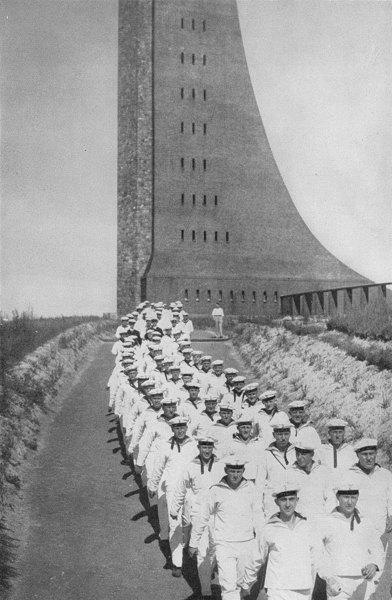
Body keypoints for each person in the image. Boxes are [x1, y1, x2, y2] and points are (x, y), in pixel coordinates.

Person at [189, 456, 262, 600]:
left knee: (242, 584)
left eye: (239, 471)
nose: (235, 475)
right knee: (228, 587)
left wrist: (261, 539)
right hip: (224, 544)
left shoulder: (251, 488)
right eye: (232, 471)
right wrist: (193, 542)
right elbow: (203, 516)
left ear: (243, 471)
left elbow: (258, 515)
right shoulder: (216, 490)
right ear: (225, 470)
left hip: (246, 543)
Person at [170, 436, 225, 599]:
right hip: (199, 513)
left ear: (213, 448)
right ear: (199, 447)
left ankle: (210, 571)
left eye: (209, 447)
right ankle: (206, 592)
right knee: (202, 552)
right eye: (203, 447)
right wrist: (174, 508)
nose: (206, 450)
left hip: (218, 514)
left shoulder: (221, 466)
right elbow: (181, 488)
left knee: (216, 548)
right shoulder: (191, 466)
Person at [241, 483, 316, 600]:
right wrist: (246, 584)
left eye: (291, 499)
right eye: (283, 500)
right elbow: (256, 558)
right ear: (276, 502)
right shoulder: (268, 529)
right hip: (277, 589)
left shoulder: (307, 527)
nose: (287, 504)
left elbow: (316, 560)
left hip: (302, 589)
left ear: (297, 500)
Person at [317, 477, 384, 600]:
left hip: (363, 581)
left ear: (357, 497)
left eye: (353, 497)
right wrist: (328, 577)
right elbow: (317, 554)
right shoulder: (326, 522)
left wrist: (374, 565)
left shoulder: (365, 522)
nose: (349, 502)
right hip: (338, 583)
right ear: (338, 497)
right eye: (345, 497)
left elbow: (378, 549)